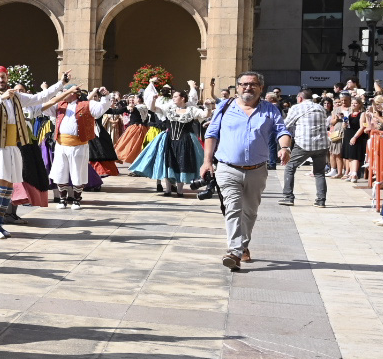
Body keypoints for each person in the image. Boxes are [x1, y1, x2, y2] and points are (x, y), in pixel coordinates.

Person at [200, 72, 292, 272]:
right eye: (244, 84)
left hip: (257, 170)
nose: (248, 88)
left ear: (261, 88)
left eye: (253, 84)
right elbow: (211, 134)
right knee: (233, 208)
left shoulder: (270, 109)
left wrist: (285, 148)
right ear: (238, 87)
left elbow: (282, 131)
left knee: (249, 212)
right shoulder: (225, 107)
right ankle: (234, 252)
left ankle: (242, 245)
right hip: (227, 168)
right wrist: (207, 161)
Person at [0, 68, 70, 239]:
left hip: (11, 147)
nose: (1, 80)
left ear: (7, 77)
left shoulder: (16, 96)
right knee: (1, 187)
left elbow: (40, 98)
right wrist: (1, 98)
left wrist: (61, 83)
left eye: (3, 77)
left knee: (8, 188)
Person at [131, 80, 205, 197]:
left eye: (175, 96)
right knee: (168, 162)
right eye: (173, 96)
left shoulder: (191, 109)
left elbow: (205, 115)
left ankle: (180, 190)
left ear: (182, 98)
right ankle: (168, 190)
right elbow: (154, 109)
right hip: (169, 139)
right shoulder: (169, 108)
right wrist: (153, 100)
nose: (173, 98)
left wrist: (209, 108)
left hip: (185, 140)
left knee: (182, 163)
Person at [46, 86, 113, 209]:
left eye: (66, 92)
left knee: (78, 173)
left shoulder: (87, 104)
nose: (63, 94)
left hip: (79, 145)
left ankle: (76, 200)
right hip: (61, 145)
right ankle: (62, 199)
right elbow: (45, 108)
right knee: (60, 172)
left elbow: (101, 109)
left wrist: (105, 96)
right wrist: (49, 93)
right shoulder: (59, 105)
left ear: (74, 93)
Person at [280, 88, 330, 207]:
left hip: (304, 143)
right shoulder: (320, 108)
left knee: (290, 167)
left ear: (300, 98)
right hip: (322, 144)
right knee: (319, 172)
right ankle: (321, 200)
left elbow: (286, 124)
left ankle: (288, 197)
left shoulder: (297, 108)